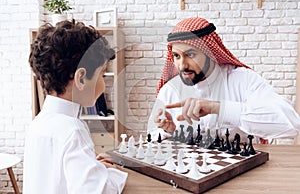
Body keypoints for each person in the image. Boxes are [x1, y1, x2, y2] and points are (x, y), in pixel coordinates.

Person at [148, 17, 300, 143]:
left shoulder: (243, 79)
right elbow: (152, 139)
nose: (182, 65)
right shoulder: (169, 90)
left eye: (191, 55)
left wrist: (219, 108)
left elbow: (291, 125)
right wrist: (172, 132)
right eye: (176, 56)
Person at [23, 20, 127, 194]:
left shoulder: (38, 123)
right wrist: (114, 174)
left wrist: (93, 168)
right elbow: (98, 191)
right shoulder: (73, 129)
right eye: (101, 74)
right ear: (81, 78)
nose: (103, 83)